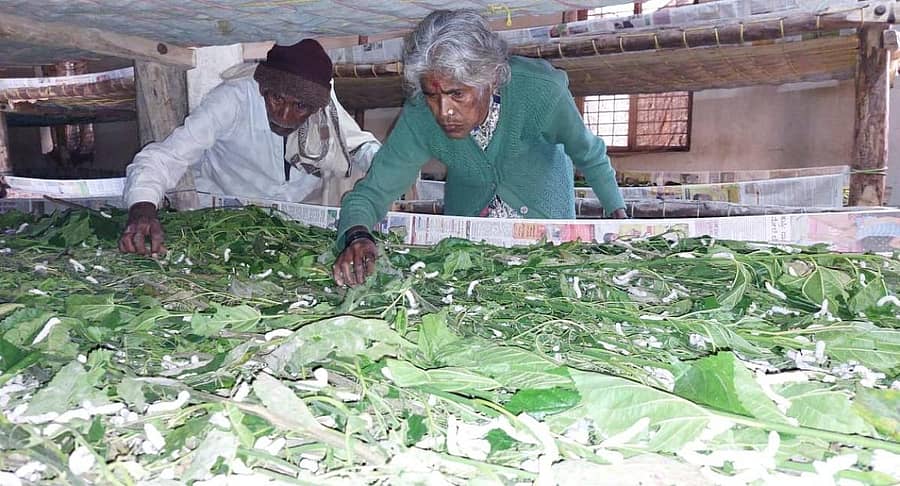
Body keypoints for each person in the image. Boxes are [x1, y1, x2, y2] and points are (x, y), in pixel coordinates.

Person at [332, 9, 626, 287]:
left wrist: (618, 219)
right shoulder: (421, 115)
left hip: (545, 232)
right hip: (469, 240)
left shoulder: (541, 91)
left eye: (457, 94)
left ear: (491, 79)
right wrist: (357, 234)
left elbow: (588, 153)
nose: (443, 111)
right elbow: (373, 190)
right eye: (433, 96)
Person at [119, 39, 380, 256]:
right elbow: (166, 156)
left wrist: (392, 170)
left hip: (294, 219)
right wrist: (142, 206)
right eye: (276, 98)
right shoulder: (233, 99)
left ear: (315, 108)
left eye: (300, 107)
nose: (285, 115)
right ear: (264, 88)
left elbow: (358, 144)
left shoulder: (324, 108)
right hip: (228, 216)